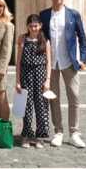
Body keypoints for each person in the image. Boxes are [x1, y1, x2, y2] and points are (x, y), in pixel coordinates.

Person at [39, 0, 86, 148]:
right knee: (53, 98)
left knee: (74, 97)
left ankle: (74, 132)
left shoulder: (73, 14)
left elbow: (83, 38)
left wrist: (82, 58)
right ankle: (58, 131)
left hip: (69, 62)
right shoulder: (44, 15)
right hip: (51, 63)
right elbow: (41, 38)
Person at [15, 14, 51, 148]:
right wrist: (17, 81)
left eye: (36, 26)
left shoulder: (45, 40)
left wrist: (47, 80)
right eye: (31, 26)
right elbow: (18, 62)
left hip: (41, 75)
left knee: (42, 106)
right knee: (27, 106)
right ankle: (26, 136)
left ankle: (40, 136)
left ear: (40, 26)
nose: (33, 28)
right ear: (27, 27)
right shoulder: (22, 39)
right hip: (26, 75)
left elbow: (48, 62)